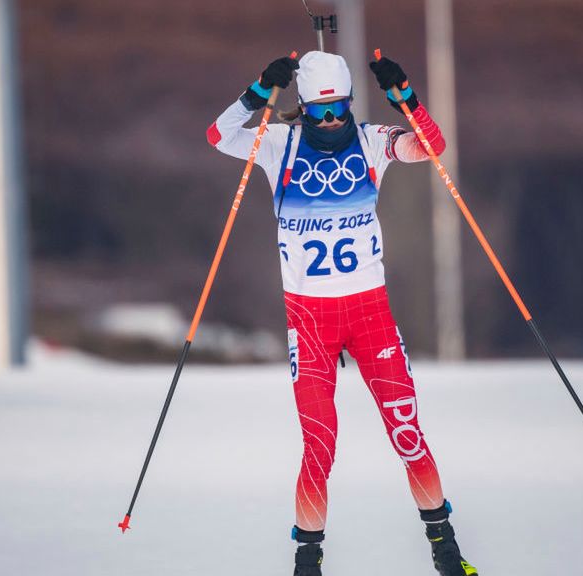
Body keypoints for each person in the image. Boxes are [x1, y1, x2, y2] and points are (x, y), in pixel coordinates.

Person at [207, 52, 476, 576]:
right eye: (320, 113)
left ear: (350, 104)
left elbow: (432, 147)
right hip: (309, 323)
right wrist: (259, 91)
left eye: (339, 111)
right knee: (319, 447)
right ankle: (307, 562)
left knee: (407, 433)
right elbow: (218, 136)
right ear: (303, 108)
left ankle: (446, 551)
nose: (331, 123)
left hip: (370, 314)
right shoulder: (278, 145)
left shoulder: (372, 139)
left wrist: (407, 97)